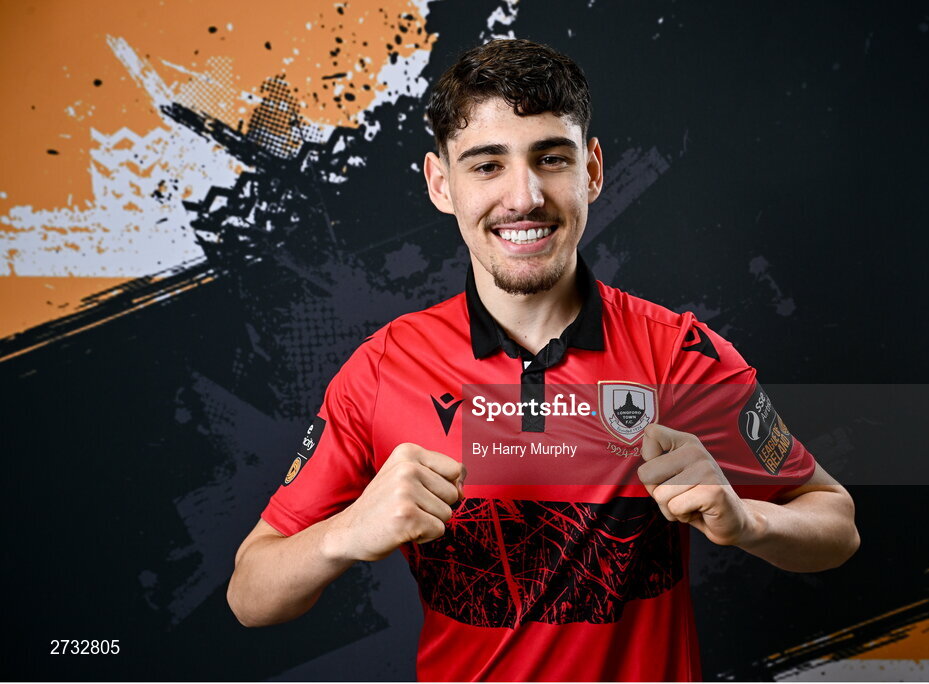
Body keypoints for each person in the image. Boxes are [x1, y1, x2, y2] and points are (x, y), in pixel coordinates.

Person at [227, 39, 859, 681]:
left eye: (550, 158)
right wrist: (346, 534)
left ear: (591, 170)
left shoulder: (677, 353)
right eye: (486, 166)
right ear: (440, 184)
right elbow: (250, 595)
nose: (524, 197)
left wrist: (748, 520)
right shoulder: (382, 370)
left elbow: (834, 523)